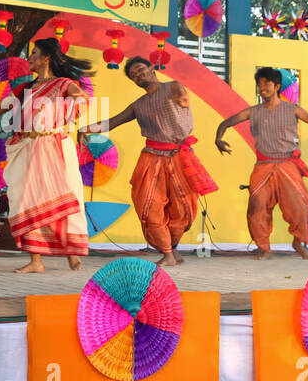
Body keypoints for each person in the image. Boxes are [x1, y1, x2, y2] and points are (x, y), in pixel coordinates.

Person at [0, 38, 90, 273]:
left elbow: (81, 98)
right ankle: (36, 261)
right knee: (27, 201)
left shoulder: (63, 83)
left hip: (54, 145)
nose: (29, 58)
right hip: (28, 148)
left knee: (62, 197)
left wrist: (67, 112)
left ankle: (70, 250)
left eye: (34, 53)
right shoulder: (25, 89)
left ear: (46, 58)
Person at [81, 56, 216, 266]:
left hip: (180, 156)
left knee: (183, 208)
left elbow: (183, 98)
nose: (137, 75)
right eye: (133, 75)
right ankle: (168, 253)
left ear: (151, 68)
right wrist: (86, 129)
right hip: (152, 158)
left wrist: (182, 98)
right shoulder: (138, 105)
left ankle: (174, 248)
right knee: (149, 205)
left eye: (140, 70)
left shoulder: (173, 87)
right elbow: (113, 122)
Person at [214, 67, 308, 260]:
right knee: (257, 206)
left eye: (266, 84)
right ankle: (264, 247)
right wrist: (218, 139)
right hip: (263, 165)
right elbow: (226, 123)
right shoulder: (253, 111)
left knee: (299, 205)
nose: (262, 87)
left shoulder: (292, 109)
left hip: (287, 164)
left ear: (277, 86)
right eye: (260, 84)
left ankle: (298, 242)